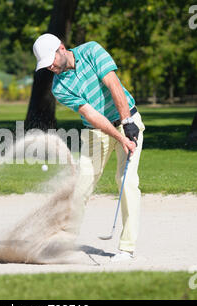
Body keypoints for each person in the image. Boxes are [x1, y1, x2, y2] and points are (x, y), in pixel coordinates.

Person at [32, 33, 145, 262]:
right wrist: (119, 137)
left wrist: (127, 123)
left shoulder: (92, 50)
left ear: (61, 48)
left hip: (128, 120)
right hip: (97, 132)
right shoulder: (59, 88)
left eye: (51, 61)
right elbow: (91, 115)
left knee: (127, 181)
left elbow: (113, 84)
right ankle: (65, 241)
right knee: (82, 184)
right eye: (45, 65)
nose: (50, 67)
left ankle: (126, 249)